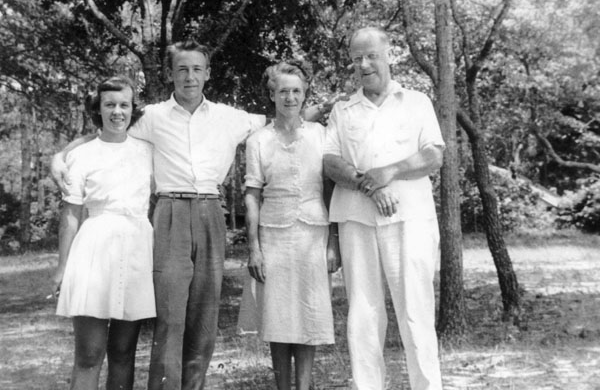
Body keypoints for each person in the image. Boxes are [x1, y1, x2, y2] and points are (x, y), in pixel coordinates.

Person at [51, 40, 331, 390]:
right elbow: (104, 135)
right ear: (170, 74)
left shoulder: (231, 118)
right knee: (169, 317)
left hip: (211, 212)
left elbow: (286, 117)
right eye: (182, 69)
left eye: (197, 69)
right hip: (170, 213)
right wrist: (59, 156)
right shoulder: (150, 117)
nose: (189, 76)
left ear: (207, 73)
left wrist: (334, 105)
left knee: (203, 318)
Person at [323, 27, 445, 390]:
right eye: (357, 57)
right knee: (363, 314)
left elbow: (434, 155)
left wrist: (389, 171)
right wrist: (370, 185)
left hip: (411, 220)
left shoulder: (417, 102)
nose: (363, 64)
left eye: (371, 55)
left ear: (388, 54)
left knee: (415, 312)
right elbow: (330, 162)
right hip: (357, 220)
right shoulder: (343, 111)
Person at [239, 61, 341, 390]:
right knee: (279, 317)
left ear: (304, 94)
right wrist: (253, 248)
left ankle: (305, 385)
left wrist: (333, 243)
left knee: (310, 315)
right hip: (273, 238)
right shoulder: (258, 141)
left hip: (314, 233)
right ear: (272, 95)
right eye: (283, 91)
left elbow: (330, 189)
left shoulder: (320, 134)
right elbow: (252, 195)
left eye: (296, 91)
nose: (290, 97)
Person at [52, 76, 154, 390]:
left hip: (136, 248)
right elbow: (70, 216)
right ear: (98, 109)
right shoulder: (83, 154)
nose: (117, 112)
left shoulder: (148, 150)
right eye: (109, 105)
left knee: (123, 353)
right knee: (89, 354)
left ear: (133, 109)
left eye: (124, 105)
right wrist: (61, 268)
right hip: (93, 250)